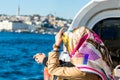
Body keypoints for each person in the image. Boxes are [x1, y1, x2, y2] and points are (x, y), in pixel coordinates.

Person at [34, 26, 114, 80]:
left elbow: (53, 70)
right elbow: (72, 66)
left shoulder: (83, 72)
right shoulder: (91, 58)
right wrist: (46, 60)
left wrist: (56, 46)